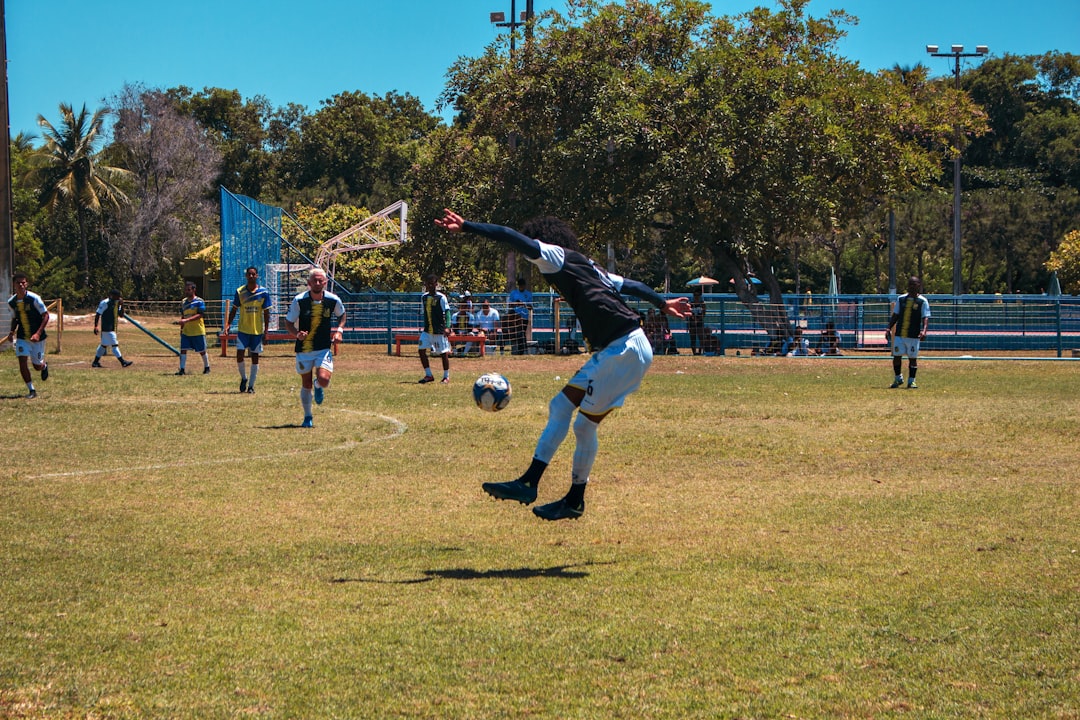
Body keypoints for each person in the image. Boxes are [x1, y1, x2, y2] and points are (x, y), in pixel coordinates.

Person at [436, 209, 692, 521]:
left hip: (624, 349)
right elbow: (631, 285)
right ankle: (536, 486)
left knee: (583, 424)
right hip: (618, 348)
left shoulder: (555, 256)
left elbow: (510, 236)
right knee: (561, 407)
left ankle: (562, 496)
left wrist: (468, 226)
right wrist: (662, 303)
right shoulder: (586, 265)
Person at [284, 268, 346, 427]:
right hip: (304, 349)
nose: (318, 283)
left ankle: (318, 385)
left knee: (324, 379)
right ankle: (308, 417)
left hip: (323, 348)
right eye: (314, 281)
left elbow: (342, 315)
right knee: (306, 383)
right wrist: (297, 334)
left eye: (320, 281)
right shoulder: (299, 300)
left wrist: (339, 331)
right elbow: (288, 323)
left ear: (325, 282)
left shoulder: (333, 300)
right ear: (309, 283)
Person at [225, 266, 272, 393]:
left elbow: (266, 313)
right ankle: (244, 378)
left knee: (255, 357)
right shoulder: (240, 291)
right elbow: (234, 309)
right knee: (239, 354)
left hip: (257, 331)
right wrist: (228, 324)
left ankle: (251, 386)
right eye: (249, 274)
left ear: (257, 276)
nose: (251, 276)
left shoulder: (263, 292)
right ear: (246, 276)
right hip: (243, 330)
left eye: (253, 274)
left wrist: (266, 331)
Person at [6, 272, 50, 398]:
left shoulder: (34, 298)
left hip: (37, 338)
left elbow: (46, 315)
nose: (21, 285)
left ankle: (44, 366)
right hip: (22, 337)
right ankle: (31, 390)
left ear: (26, 284)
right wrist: (11, 332)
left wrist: (38, 333)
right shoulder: (11, 302)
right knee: (22, 361)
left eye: (23, 282)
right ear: (14, 284)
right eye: (18, 283)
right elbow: (15, 318)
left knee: (37, 366)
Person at [887, 276, 930, 388]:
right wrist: (888, 328)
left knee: (912, 358)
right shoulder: (901, 299)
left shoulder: (922, 301)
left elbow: (925, 317)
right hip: (900, 334)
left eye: (914, 284)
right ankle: (898, 378)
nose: (912, 286)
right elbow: (895, 315)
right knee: (896, 356)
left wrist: (924, 331)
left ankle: (911, 381)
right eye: (910, 284)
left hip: (913, 335)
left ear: (918, 285)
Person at [417, 273, 452, 384]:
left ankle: (446, 376)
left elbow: (447, 312)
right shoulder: (424, 297)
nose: (430, 286)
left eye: (432, 284)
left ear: (436, 284)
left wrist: (447, 327)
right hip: (427, 330)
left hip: (439, 331)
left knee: (443, 353)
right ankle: (429, 375)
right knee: (421, 350)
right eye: (428, 284)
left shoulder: (441, 297)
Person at [91, 288, 134, 370]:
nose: (119, 298)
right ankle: (123, 362)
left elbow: (121, 314)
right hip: (107, 328)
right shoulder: (105, 303)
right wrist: (95, 326)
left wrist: (121, 305)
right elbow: (98, 314)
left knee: (103, 345)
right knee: (114, 345)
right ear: (112, 295)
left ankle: (95, 362)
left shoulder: (116, 303)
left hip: (112, 327)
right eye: (117, 296)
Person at [175, 281, 210, 376]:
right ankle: (182, 369)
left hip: (197, 330)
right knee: (183, 349)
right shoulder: (183, 302)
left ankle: (207, 367)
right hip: (186, 331)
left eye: (189, 289)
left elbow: (200, 315)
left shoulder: (199, 301)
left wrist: (187, 320)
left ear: (194, 290)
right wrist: (182, 328)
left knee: (202, 350)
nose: (186, 291)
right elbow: (183, 316)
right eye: (186, 290)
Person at [507, 276, 533, 355]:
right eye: (520, 285)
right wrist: (516, 303)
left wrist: (524, 304)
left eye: (523, 285)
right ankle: (517, 350)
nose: (521, 287)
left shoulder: (528, 294)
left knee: (521, 332)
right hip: (515, 317)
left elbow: (531, 307)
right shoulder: (513, 293)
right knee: (516, 333)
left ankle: (522, 350)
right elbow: (510, 305)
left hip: (524, 317)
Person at [688, 287, 707, 355]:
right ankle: (694, 352)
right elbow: (689, 312)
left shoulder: (702, 304)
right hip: (692, 322)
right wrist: (693, 318)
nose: (696, 297)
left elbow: (703, 313)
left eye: (697, 295)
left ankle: (700, 351)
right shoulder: (690, 304)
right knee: (693, 338)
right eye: (695, 295)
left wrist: (698, 319)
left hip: (700, 322)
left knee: (701, 338)